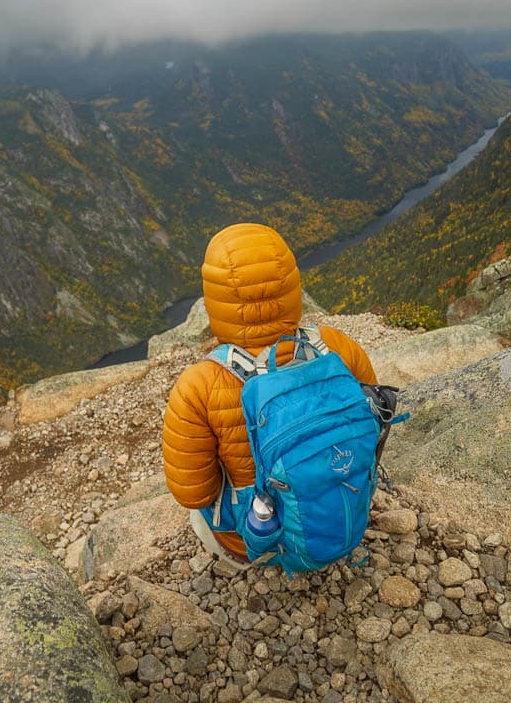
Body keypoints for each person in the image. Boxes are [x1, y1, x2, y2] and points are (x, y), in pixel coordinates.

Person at [161, 222, 377, 566]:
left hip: (251, 542)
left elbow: (193, 492)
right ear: (290, 283)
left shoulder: (198, 386)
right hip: (343, 518)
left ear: (215, 299)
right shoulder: (337, 348)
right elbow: (375, 422)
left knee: (199, 514)